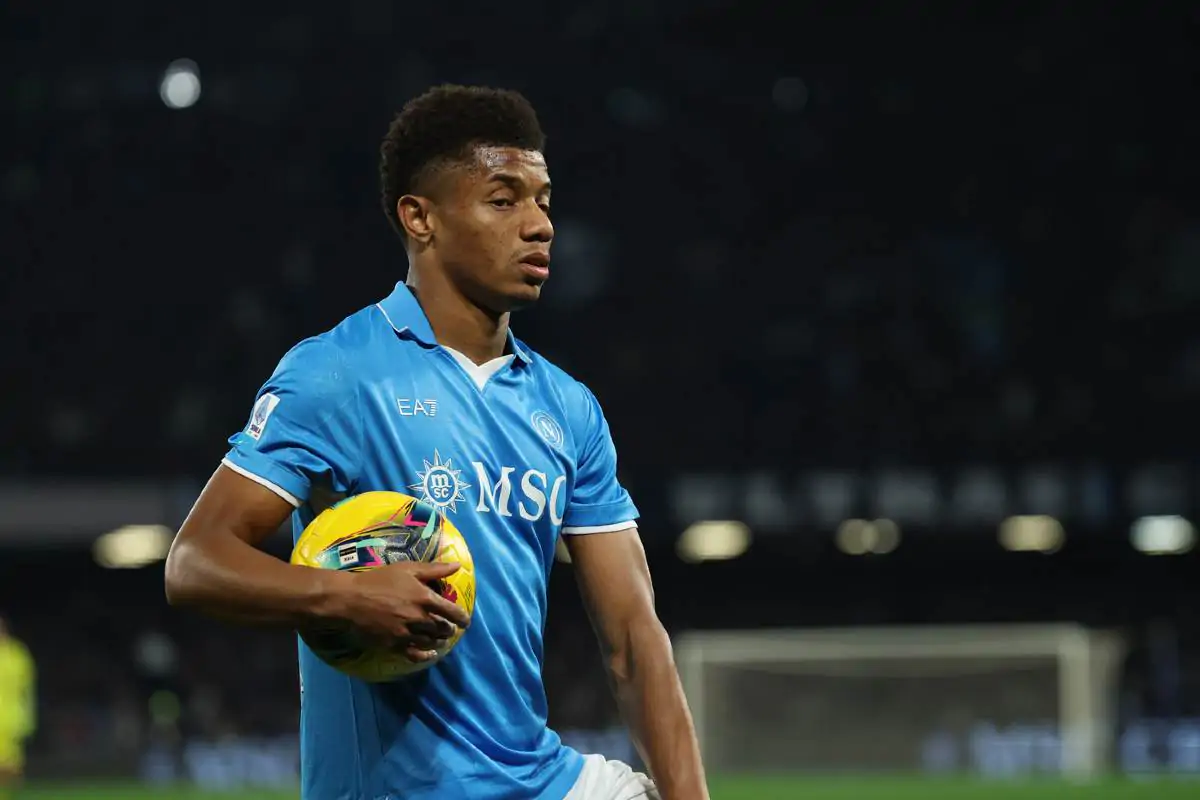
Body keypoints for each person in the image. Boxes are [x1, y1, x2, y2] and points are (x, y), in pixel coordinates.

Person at [165, 84, 708, 800]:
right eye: (503, 200)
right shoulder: (338, 373)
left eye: (544, 201)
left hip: (544, 780)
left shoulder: (568, 408)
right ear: (420, 218)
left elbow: (635, 639)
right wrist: (341, 595)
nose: (540, 225)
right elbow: (195, 563)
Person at [0, 616, 35, 800]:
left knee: (11, 768)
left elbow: (27, 689)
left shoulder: (18, 654)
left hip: (11, 719)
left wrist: (28, 718)